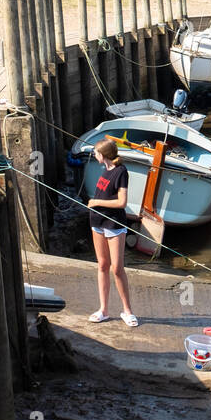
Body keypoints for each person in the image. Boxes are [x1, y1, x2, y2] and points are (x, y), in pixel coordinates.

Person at [86, 139, 137, 327]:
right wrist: (95, 204)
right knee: (102, 265)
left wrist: (96, 202)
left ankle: (127, 311)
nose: (94, 154)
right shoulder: (105, 170)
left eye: (96, 152)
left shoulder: (121, 172)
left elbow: (121, 202)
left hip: (114, 224)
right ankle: (104, 310)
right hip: (97, 222)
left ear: (104, 154)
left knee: (117, 268)